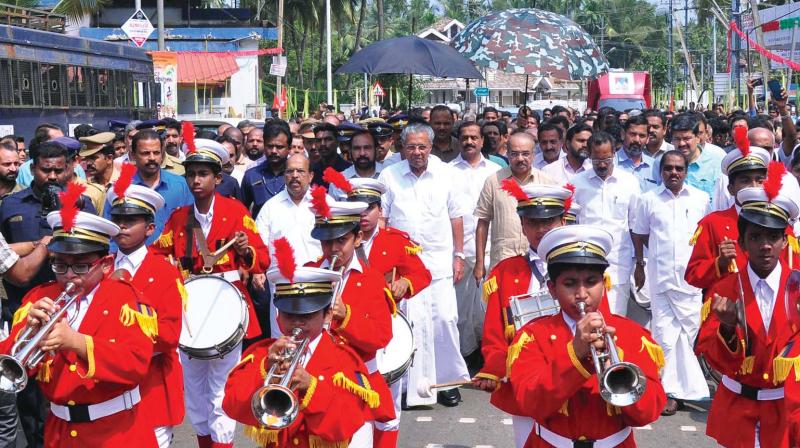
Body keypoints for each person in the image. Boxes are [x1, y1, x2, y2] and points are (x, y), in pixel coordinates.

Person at [0, 193, 158, 446]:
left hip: (117, 431)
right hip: (60, 432)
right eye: (60, 265)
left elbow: (136, 364)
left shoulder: (126, 299)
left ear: (105, 264)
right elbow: (10, 365)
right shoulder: (39, 297)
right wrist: (24, 334)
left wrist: (77, 342)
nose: (69, 275)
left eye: (81, 266)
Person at [150, 138, 270, 448]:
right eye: (191, 174)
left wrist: (246, 251)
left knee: (220, 391)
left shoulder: (235, 211)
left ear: (218, 179)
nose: (196, 181)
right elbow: (156, 257)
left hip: (227, 309)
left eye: (203, 174)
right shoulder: (178, 219)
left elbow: (263, 258)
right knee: (195, 392)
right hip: (191, 311)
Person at [508, 225, 666, 447]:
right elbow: (530, 403)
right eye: (570, 284)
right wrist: (574, 354)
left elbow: (648, 413)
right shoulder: (532, 336)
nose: (582, 295)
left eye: (591, 282)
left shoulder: (634, 335)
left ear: (604, 283)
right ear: (552, 289)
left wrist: (619, 366)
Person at [222, 256, 377, 447]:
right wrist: (265, 369)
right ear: (278, 314)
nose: (297, 323)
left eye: (307, 315)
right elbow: (231, 405)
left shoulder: (345, 359)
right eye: (289, 315)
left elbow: (345, 424)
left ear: (327, 314)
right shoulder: (263, 354)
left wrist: (311, 386)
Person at [695, 173, 799, 448]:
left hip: (786, 412)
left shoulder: (798, 287)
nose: (765, 246)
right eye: (755, 237)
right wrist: (727, 328)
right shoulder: (725, 289)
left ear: (785, 242)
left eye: (774, 237)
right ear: (741, 243)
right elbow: (711, 360)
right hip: (738, 411)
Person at [378, 122, 470, 408]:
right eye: (411, 147)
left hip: (439, 260)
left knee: (444, 320)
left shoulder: (446, 173)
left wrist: (459, 255)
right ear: (402, 148)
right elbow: (383, 218)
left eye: (422, 147)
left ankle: (447, 383)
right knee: (408, 322)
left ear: (431, 147)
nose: (417, 152)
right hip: (403, 264)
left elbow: (456, 217)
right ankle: (407, 385)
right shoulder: (390, 175)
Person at [478, 183, 573, 448]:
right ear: (521, 224)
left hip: (572, 377)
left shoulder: (583, 270)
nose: (541, 229)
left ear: (562, 221)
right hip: (525, 381)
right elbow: (494, 333)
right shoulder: (505, 272)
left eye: (549, 221)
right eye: (533, 222)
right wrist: (496, 368)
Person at [305, 194, 396, 447]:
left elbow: (381, 336)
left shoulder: (372, 280)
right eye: (326, 242)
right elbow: (285, 321)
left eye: (341, 240)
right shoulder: (308, 273)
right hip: (313, 380)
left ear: (358, 238)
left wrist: (347, 316)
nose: (333, 249)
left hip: (354, 383)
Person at [106, 176, 184, 447]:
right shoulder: (101, 268)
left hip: (151, 385)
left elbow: (170, 334)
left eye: (132, 220)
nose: (122, 226)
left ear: (150, 228)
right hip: (107, 384)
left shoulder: (165, 271)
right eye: (118, 219)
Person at [632, 150, 711, 416]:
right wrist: (641, 265)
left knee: (687, 337)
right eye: (668, 169)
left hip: (691, 281)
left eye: (679, 168)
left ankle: (683, 389)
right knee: (664, 337)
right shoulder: (648, 200)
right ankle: (667, 392)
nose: (673, 173)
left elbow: (705, 237)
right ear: (661, 172)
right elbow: (639, 233)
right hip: (661, 278)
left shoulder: (701, 199)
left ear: (686, 171)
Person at [684, 133, 771, 290]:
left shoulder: (778, 221)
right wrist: (720, 262)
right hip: (726, 309)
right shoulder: (712, 223)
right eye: (745, 180)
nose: (754, 186)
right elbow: (693, 275)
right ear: (731, 188)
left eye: (759, 180)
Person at [571, 131, 641, 316]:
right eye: (596, 160)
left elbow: (635, 224)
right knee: (588, 319)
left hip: (619, 265)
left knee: (616, 320)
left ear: (614, 154)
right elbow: (570, 223)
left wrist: (640, 262)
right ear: (589, 154)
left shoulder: (629, 182)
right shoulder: (577, 183)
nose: (602, 164)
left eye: (607, 159)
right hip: (586, 263)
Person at [449, 122, 501, 359]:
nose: (469, 142)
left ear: (482, 140)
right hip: (459, 249)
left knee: (488, 308)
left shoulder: (495, 171)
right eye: (464, 137)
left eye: (474, 137)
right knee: (460, 309)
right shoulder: (447, 171)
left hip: (490, 247)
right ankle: (463, 356)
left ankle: (488, 356)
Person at [474, 132, 554, 280]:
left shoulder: (547, 183)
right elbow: (483, 223)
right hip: (503, 259)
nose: (520, 159)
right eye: (515, 154)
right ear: (507, 154)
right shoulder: (493, 181)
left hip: (538, 262)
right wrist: (479, 263)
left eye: (525, 154)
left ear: (533, 155)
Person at [103, 129, 193, 247]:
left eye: (156, 153)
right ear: (133, 155)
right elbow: (110, 231)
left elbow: (191, 226)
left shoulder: (180, 185)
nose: (152, 158)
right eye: (145, 153)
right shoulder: (120, 189)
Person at [241, 124, 290, 218]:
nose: (274, 151)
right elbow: (242, 210)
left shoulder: (296, 174)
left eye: (279, 147)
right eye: (270, 146)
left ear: (289, 148)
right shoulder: (251, 175)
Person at [327, 130, 383, 200]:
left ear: (376, 150)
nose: (362, 153)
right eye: (357, 148)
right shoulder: (337, 182)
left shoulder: (388, 176)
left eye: (367, 148)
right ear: (350, 151)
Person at [616, 114, 658, 192]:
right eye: (632, 134)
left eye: (642, 136)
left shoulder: (656, 166)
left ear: (648, 139)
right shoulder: (611, 163)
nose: (636, 140)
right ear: (623, 134)